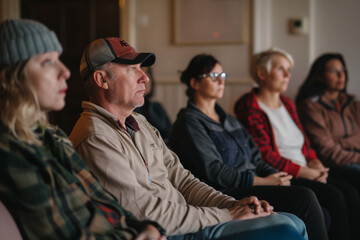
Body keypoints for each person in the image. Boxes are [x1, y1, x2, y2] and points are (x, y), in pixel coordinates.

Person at [69, 37, 308, 240]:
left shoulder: (138, 122)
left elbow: (182, 179)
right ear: (102, 80)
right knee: (286, 228)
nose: (145, 78)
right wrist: (228, 215)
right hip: (170, 232)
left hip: (191, 219)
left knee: (294, 221)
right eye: (132, 69)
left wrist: (232, 204)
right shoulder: (95, 136)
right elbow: (145, 213)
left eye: (142, 69)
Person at [0, 19, 167, 240]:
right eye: (48, 62)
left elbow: (99, 199)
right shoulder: (10, 151)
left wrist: (146, 228)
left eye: (58, 59)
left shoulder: (52, 135)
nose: (65, 72)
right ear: (11, 77)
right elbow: (64, 234)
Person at [169, 54, 329, 240]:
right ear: (194, 83)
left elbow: (256, 158)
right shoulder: (189, 122)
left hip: (257, 183)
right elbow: (215, 171)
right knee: (305, 199)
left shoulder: (229, 120)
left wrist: (279, 177)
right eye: (214, 77)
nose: (221, 82)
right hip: (227, 191)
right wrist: (266, 182)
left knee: (323, 207)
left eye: (223, 76)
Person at [234, 48, 360, 240]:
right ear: (262, 74)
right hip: (282, 173)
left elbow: (305, 143)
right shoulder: (249, 105)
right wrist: (305, 172)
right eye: (280, 69)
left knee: (350, 192)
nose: (287, 75)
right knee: (336, 196)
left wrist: (314, 162)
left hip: (307, 168)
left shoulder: (287, 103)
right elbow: (264, 153)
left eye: (288, 70)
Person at [295, 53, 360, 192]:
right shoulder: (310, 107)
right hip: (334, 165)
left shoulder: (353, 104)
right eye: (333, 71)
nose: (340, 75)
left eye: (343, 70)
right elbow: (327, 151)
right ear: (319, 76)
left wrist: (341, 142)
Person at [134, 66, 172, 144]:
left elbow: (171, 136)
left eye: (147, 73)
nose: (146, 79)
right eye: (138, 73)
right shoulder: (128, 110)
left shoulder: (156, 107)